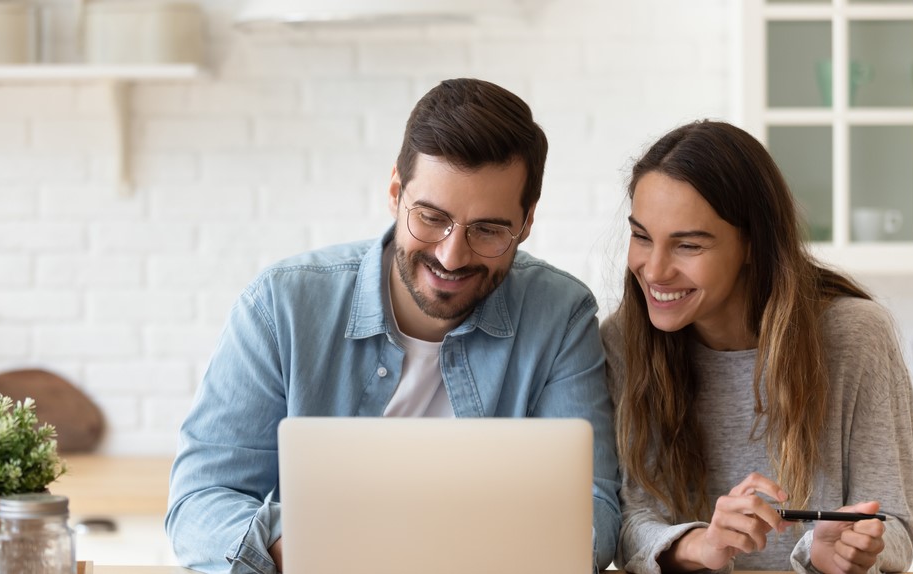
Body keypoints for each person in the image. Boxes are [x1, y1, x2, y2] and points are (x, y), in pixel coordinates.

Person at [166, 78, 621, 573]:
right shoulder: (281, 306)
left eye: (488, 230)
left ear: (527, 221)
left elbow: (593, 511)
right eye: (431, 217)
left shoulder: (561, 315)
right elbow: (200, 502)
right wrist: (292, 544)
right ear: (394, 194)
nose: (452, 255)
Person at [602, 119, 913, 574]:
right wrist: (701, 544)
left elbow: (894, 522)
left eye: (688, 245)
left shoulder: (855, 337)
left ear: (752, 244)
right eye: (641, 236)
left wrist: (837, 550)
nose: (653, 270)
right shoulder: (624, 341)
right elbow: (630, 518)